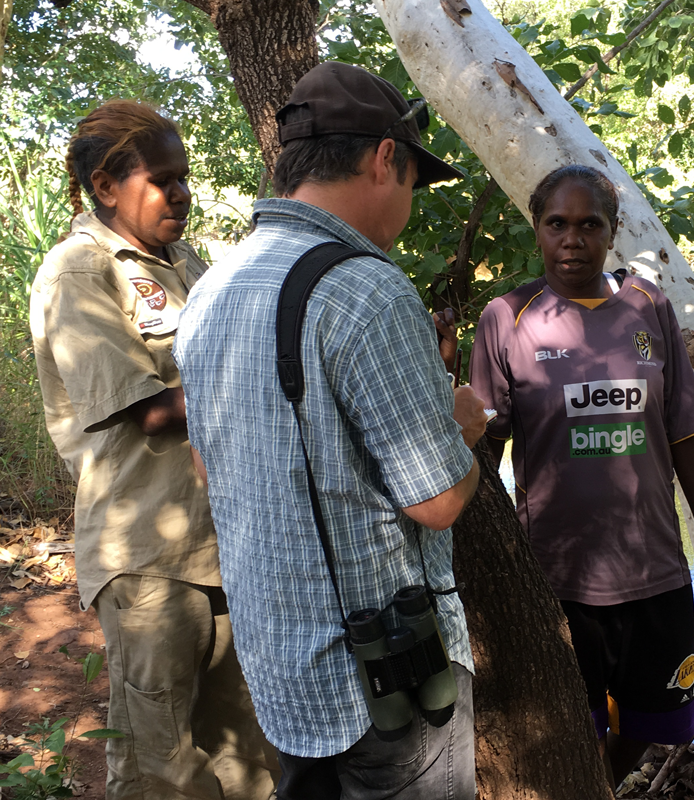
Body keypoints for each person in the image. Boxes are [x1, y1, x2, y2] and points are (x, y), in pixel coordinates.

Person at [172, 62, 487, 800]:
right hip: (387, 689)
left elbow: (206, 469)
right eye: (411, 179)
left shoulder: (214, 286)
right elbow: (436, 502)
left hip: (283, 674)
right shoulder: (367, 291)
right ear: (385, 158)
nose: (407, 201)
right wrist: (462, 427)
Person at [30, 101, 278, 800]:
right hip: (147, 557)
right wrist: (283, 383)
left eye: (185, 178)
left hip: (222, 544)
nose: (181, 194)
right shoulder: (79, 271)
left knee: (246, 758)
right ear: (106, 187)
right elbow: (154, 412)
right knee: (161, 764)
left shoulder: (184, 262)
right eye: (161, 179)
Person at [468, 164, 694, 788]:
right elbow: (485, 455)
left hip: (655, 573)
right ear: (536, 229)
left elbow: (682, 437)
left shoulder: (648, 308)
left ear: (612, 232)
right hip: (559, 580)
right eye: (557, 224)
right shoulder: (508, 319)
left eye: (590, 225)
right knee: (567, 726)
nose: (573, 240)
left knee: (649, 724)